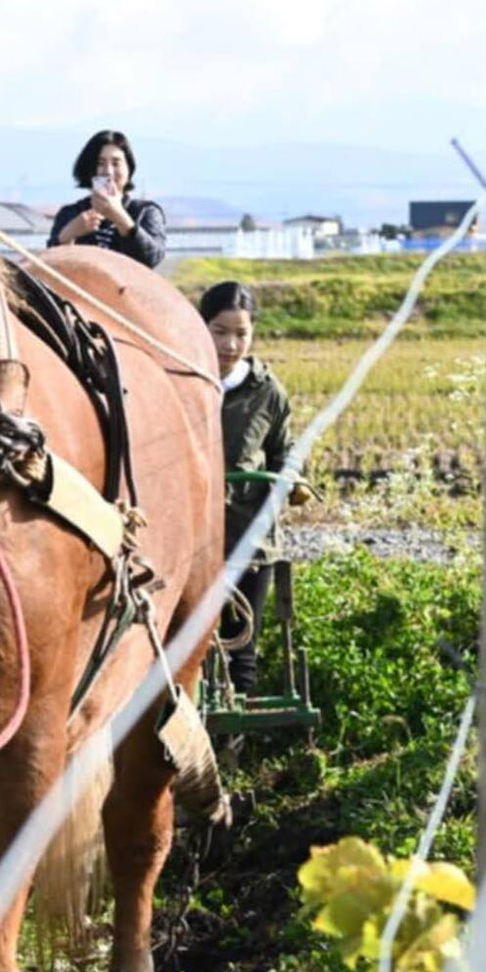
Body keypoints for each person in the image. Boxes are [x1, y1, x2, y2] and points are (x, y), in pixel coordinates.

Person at [202, 281, 308, 693]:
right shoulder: (182, 380)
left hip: (248, 534)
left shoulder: (266, 390)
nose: (230, 344)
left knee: (242, 640)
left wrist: (290, 479)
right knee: (184, 639)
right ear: (199, 327)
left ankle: (234, 746)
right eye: (219, 331)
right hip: (191, 535)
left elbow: (286, 450)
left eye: (241, 333)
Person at [46, 130, 166, 268]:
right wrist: (68, 235)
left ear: (129, 168)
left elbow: (152, 259)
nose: (108, 171)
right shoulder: (70, 214)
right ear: (88, 168)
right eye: (100, 163)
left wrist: (120, 216)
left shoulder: (146, 211)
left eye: (116, 163)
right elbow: (50, 267)